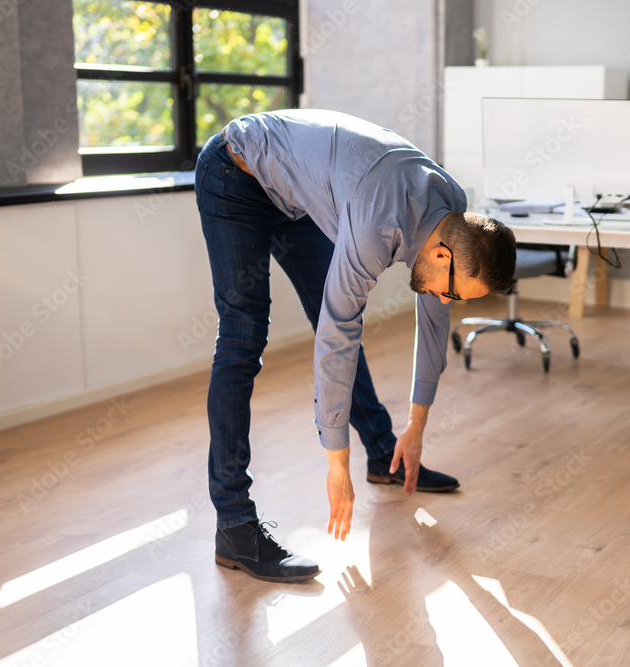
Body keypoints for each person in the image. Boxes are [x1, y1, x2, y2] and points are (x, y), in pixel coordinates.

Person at [195, 109, 517, 583]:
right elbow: (335, 335)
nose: (446, 300)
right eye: (451, 290)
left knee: (345, 321)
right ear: (441, 254)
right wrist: (336, 462)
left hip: (295, 195)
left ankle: (387, 454)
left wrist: (417, 428)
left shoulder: (451, 208)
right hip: (236, 170)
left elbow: (432, 321)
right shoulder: (374, 227)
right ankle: (234, 526)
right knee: (243, 339)